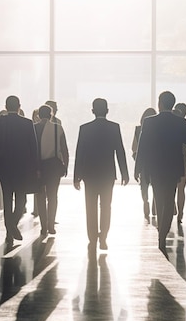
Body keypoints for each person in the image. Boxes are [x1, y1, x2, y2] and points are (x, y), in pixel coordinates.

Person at [135, 91, 186, 255]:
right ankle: (163, 233)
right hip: (173, 168)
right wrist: (184, 122)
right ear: (172, 104)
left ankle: (162, 232)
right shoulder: (179, 121)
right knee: (169, 200)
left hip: (155, 168)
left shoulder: (149, 122)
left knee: (159, 199)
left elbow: (142, 146)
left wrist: (138, 168)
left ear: (160, 104)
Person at [73, 98, 128, 251]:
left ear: (92, 111)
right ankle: (103, 237)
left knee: (90, 206)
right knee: (106, 206)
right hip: (107, 174)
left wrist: (76, 176)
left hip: (89, 174)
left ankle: (92, 238)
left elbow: (80, 153)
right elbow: (120, 151)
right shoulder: (114, 127)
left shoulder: (85, 128)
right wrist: (124, 173)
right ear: (107, 110)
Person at [0, 95, 39, 246]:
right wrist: (35, 168)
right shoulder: (27, 123)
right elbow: (33, 148)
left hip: (4, 169)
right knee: (21, 200)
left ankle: (9, 231)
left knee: (7, 199)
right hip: (22, 169)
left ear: (6, 106)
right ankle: (12, 225)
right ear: (19, 106)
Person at [34, 105, 69, 236]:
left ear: (38, 115)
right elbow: (64, 149)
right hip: (54, 166)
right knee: (53, 196)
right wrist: (65, 165)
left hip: (38, 166)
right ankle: (51, 224)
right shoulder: (57, 128)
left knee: (40, 196)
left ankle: (43, 225)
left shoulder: (33, 128)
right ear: (51, 115)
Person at [131, 108, 157, 223]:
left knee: (144, 186)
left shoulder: (138, 129)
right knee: (156, 184)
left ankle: (145, 202)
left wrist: (137, 165)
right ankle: (154, 205)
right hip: (156, 162)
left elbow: (134, 148)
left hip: (143, 163)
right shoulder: (158, 129)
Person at [172, 103, 186, 234]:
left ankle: (174, 208)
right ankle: (180, 213)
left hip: (173, 159)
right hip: (184, 158)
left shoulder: (173, 124)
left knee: (173, 187)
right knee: (181, 189)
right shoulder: (184, 124)